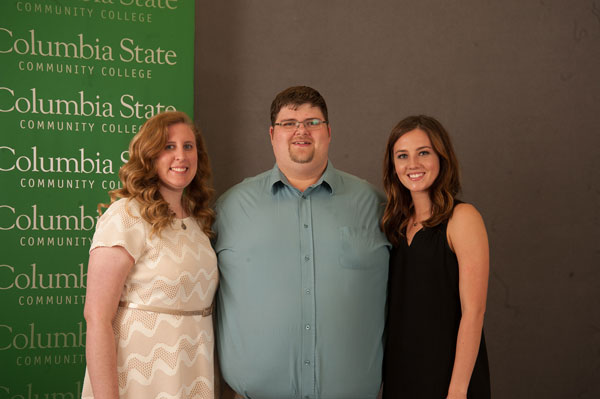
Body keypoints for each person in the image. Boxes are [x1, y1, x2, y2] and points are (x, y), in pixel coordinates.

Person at [213, 86, 390, 399]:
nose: (301, 131)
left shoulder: (376, 206)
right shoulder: (229, 209)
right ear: (272, 134)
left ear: (329, 131)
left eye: (312, 122)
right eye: (289, 123)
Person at [81, 111, 218, 399]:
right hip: (138, 376)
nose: (181, 155)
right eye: (169, 147)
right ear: (150, 156)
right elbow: (97, 318)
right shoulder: (126, 216)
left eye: (188, 146)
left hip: (193, 370)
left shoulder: (198, 222)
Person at [381, 115, 491, 398]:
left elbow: (473, 312)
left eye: (424, 153)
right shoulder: (393, 225)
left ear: (442, 157)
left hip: (449, 378)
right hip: (401, 375)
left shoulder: (462, 218)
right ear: (393, 166)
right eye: (402, 156)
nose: (412, 164)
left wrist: (457, 389)